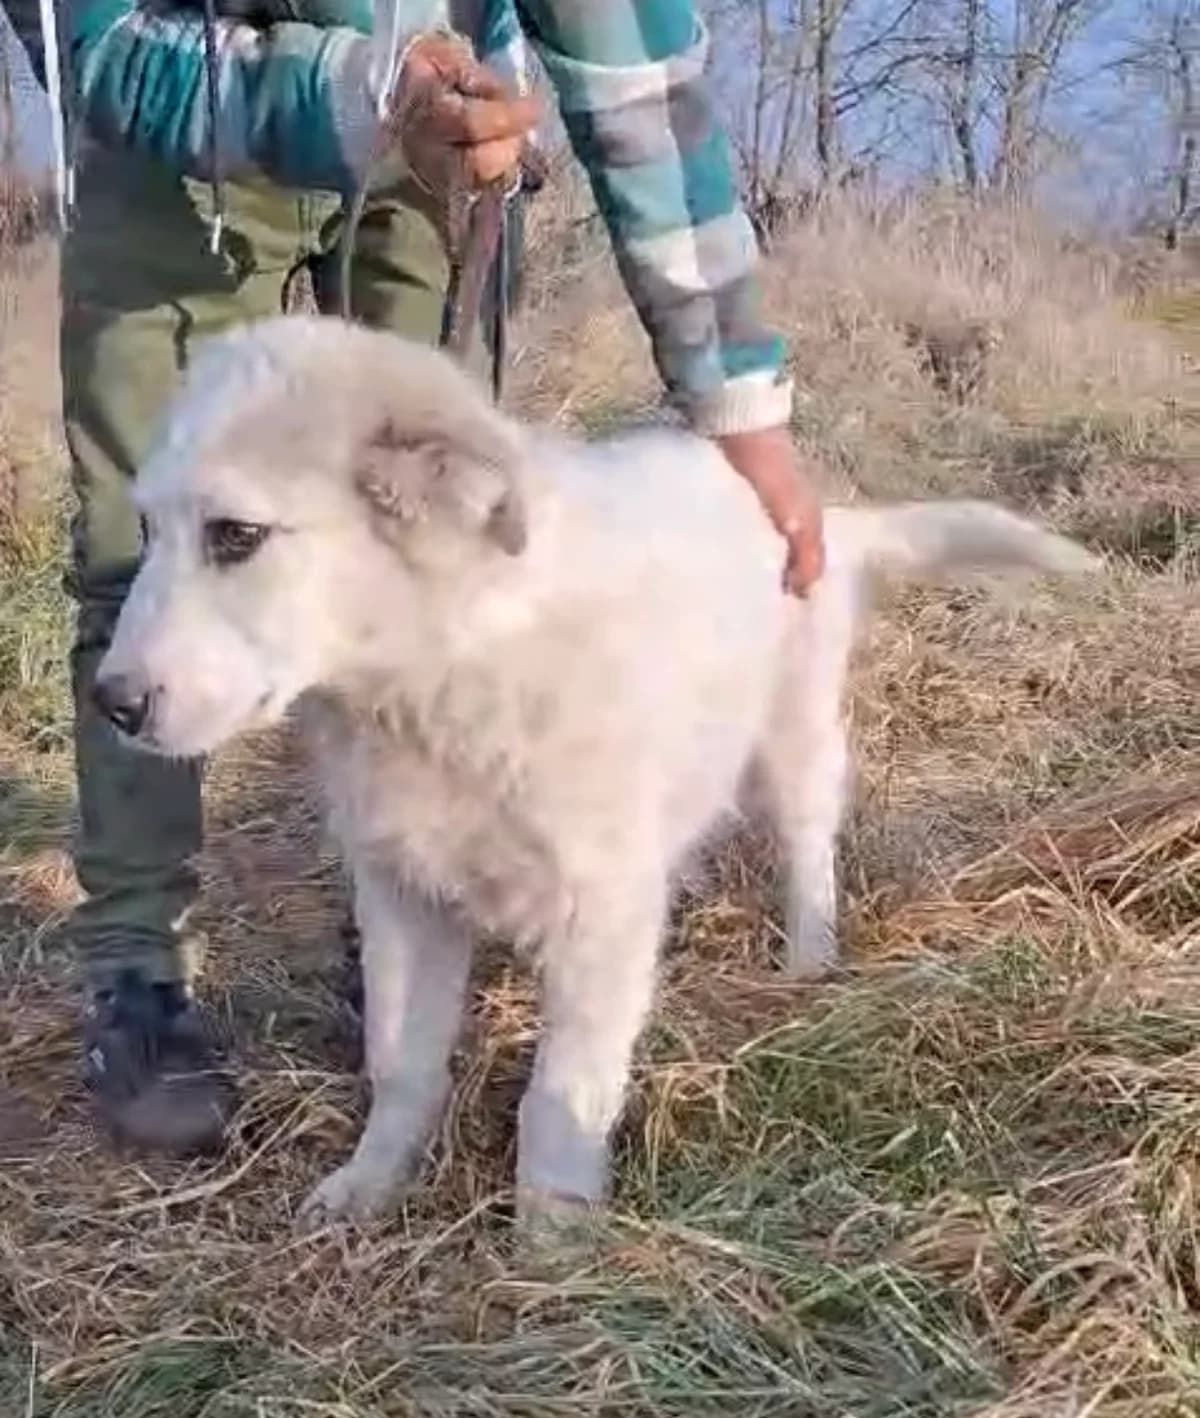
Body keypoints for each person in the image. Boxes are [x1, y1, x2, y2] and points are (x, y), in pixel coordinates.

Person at [7, 0, 824, 1158]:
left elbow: (635, 77)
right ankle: (141, 963)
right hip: (171, 125)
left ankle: (413, 902)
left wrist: (736, 396)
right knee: (149, 545)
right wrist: (354, 88)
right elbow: (90, 32)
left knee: (413, 548)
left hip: (438, 139)